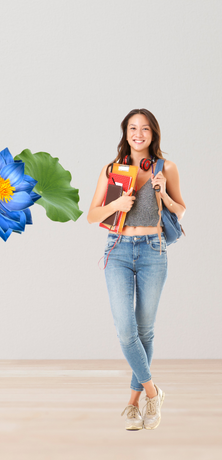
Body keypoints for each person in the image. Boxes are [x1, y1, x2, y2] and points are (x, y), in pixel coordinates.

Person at [87, 109, 186, 431]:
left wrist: (162, 193)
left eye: (145, 129)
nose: (139, 134)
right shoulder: (113, 169)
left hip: (153, 250)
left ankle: (132, 405)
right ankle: (153, 393)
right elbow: (91, 216)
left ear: (153, 134)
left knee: (145, 331)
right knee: (126, 330)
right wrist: (116, 206)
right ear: (125, 133)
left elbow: (181, 210)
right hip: (117, 250)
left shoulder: (166, 167)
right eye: (133, 128)